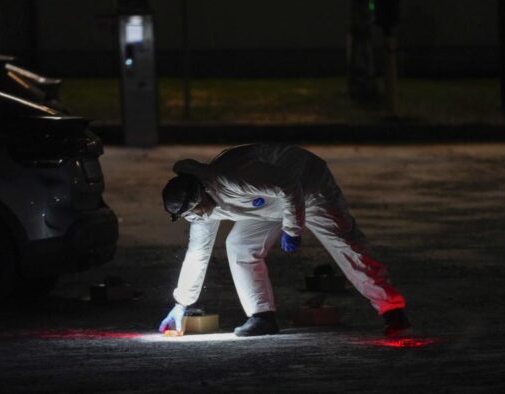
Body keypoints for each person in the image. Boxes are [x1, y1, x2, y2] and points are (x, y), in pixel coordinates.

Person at [159, 143, 410, 337]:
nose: (194, 218)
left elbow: (288, 186)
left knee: (345, 244)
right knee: (240, 245)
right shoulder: (199, 212)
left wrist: (292, 229)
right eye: (187, 216)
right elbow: (198, 251)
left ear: (201, 196)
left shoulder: (231, 180)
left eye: (193, 212)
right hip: (267, 206)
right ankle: (262, 316)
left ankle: (393, 311)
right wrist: (182, 303)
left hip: (308, 185)